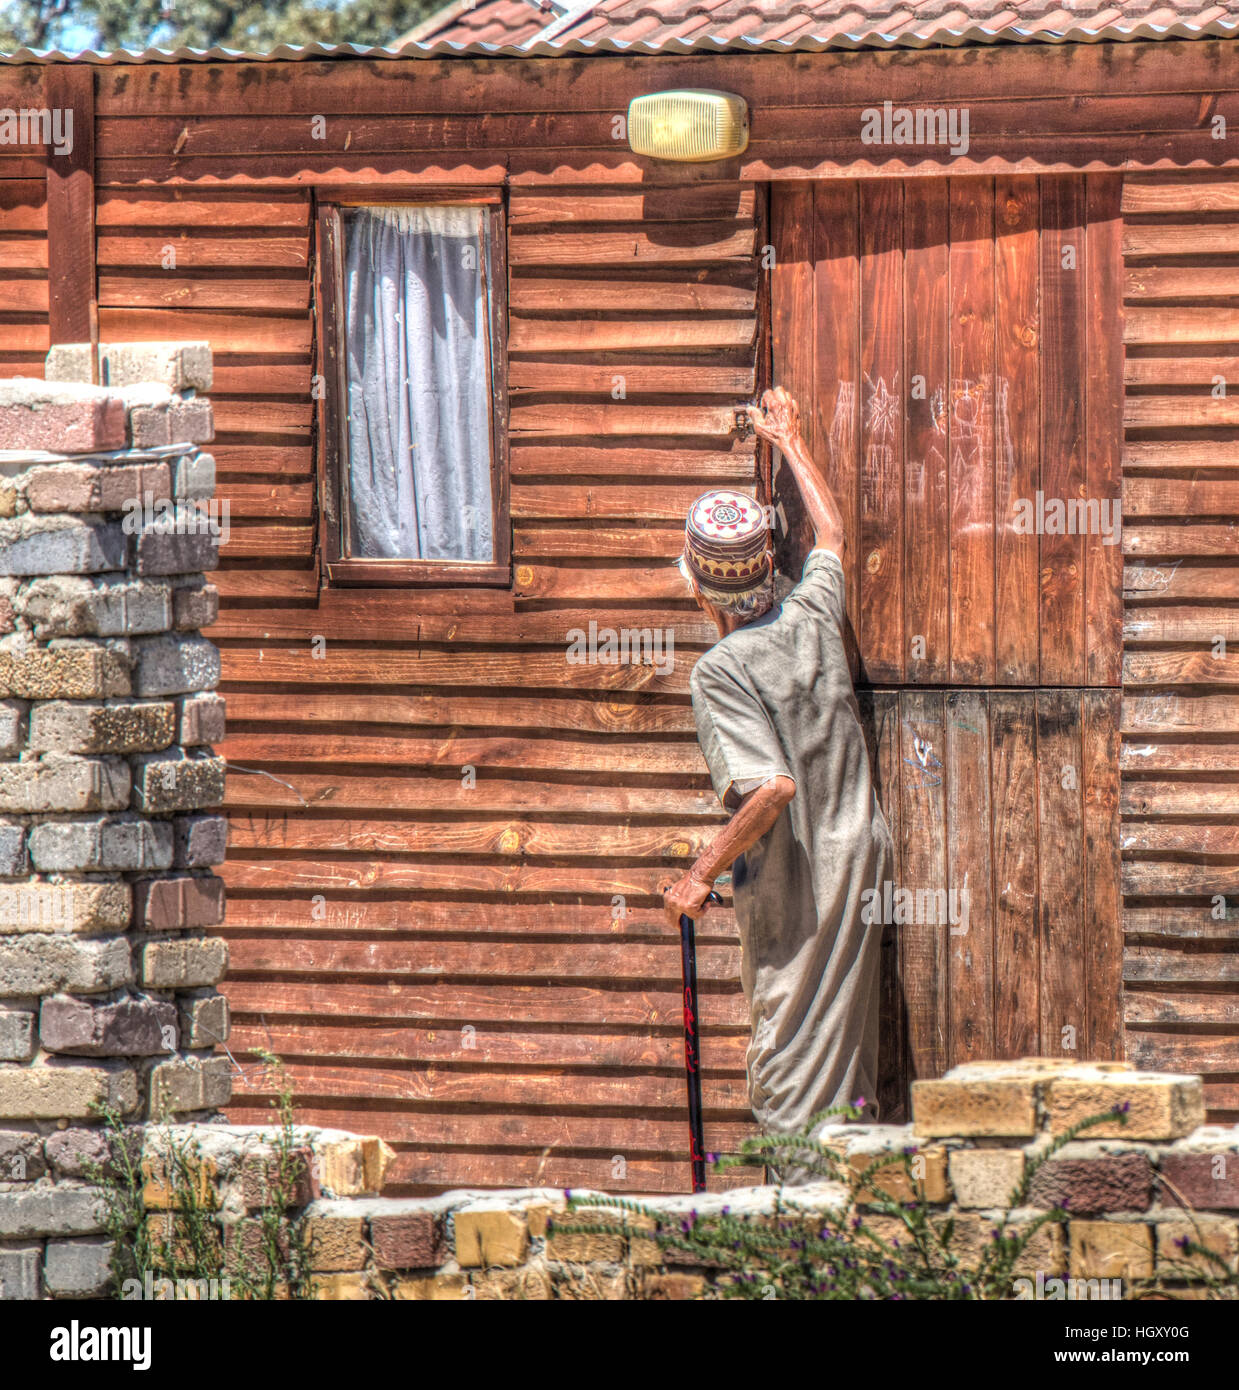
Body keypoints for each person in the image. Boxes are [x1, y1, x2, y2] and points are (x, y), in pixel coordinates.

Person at [664, 386, 894, 1169]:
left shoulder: (721, 668)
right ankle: (850, 1204)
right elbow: (829, 530)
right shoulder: (808, 611)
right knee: (838, 1040)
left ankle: (806, 1228)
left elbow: (770, 789)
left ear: (700, 588)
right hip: (858, 856)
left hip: (801, 881)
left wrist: (699, 871)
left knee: (791, 1058)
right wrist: (789, 439)